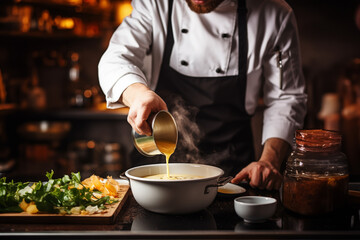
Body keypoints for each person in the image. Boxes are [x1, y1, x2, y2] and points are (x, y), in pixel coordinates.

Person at [98, 0, 307, 190]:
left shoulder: (273, 14)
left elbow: (286, 97)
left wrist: (269, 161)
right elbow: (116, 58)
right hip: (155, 166)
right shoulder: (155, 4)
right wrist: (139, 95)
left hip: (234, 174)